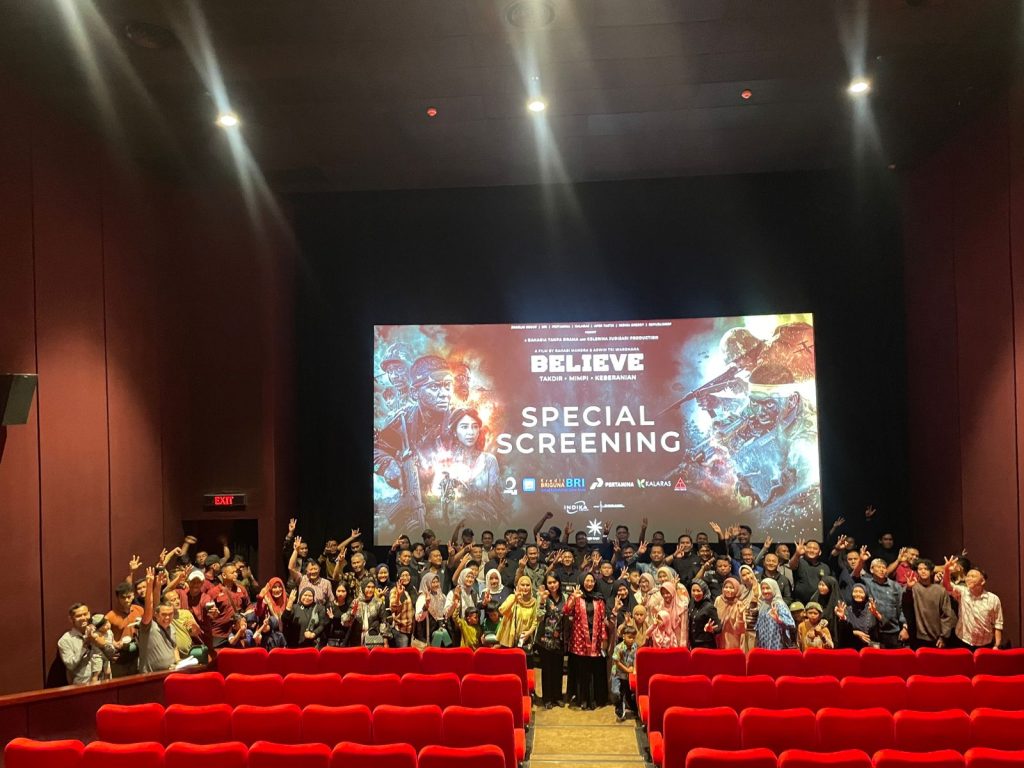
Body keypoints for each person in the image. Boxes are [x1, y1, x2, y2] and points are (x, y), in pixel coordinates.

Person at [563, 573, 609, 710]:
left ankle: (593, 699)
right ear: (582, 582)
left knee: (594, 670)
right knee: (582, 670)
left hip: (596, 640)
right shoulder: (576, 597)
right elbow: (566, 611)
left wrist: (604, 638)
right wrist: (573, 598)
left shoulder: (599, 599)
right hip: (580, 640)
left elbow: (602, 620)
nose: (589, 584)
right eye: (587, 581)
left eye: (592, 581)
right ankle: (582, 699)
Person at [942, 556, 1004, 650]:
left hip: (985, 643)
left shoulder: (993, 599)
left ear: (982, 581)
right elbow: (947, 586)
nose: (969, 578)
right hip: (962, 641)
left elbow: (998, 624)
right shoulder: (963, 592)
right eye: (968, 576)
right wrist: (946, 571)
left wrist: (997, 645)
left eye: (973, 576)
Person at [854, 554, 908, 648]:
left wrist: (905, 627)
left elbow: (902, 608)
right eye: (878, 567)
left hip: (893, 630)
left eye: (884, 567)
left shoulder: (895, 586)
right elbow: (855, 574)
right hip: (872, 630)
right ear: (871, 570)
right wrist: (861, 560)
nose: (882, 570)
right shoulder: (866, 582)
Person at [903, 558, 955, 648]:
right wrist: (909, 589)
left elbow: (947, 615)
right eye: (920, 569)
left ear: (931, 572)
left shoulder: (940, 590)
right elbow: (906, 606)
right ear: (916, 571)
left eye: (926, 569)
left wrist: (943, 636)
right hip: (917, 637)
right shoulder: (913, 587)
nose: (923, 571)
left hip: (936, 637)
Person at [535, 574, 567, 709]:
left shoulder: (565, 597)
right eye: (549, 583)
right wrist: (542, 601)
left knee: (558, 669)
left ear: (559, 583)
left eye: (554, 582)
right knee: (547, 670)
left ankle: (557, 697)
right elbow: (539, 616)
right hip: (545, 639)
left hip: (559, 638)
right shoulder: (542, 597)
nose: (552, 585)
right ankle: (547, 698)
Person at [138, 568, 179, 672]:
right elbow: (150, 606)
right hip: (150, 676)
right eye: (164, 615)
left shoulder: (172, 628)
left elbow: (174, 647)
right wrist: (149, 585)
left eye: (170, 614)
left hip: (170, 674)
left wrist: (178, 663)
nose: (167, 617)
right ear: (156, 615)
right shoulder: (149, 627)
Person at [59, 603, 108, 685]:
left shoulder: (100, 631)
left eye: (85, 614)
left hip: (105, 681)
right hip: (83, 685)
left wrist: (99, 642)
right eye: (78, 616)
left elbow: (112, 654)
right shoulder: (65, 640)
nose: (83, 618)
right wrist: (84, 646)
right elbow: (70, 665)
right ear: (71, 619)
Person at [105, 581, 142, 678]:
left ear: (133, 595)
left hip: (137, 655)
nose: (126, 600)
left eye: (129, 597)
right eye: (123, 597)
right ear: (118, 598)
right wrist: (113, 643)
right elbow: (102, 635)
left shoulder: (139, 610)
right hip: (119, 658)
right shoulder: (111, 616)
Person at [497, 575, 540, 649]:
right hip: (509, 638)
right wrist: (515, 598)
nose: (525, 587)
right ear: (518, 586)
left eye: (527, 585)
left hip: (524, 639)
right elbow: (502, 610)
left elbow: (535, 620)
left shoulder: (534, 602)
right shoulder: (512, 597)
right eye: (522, 585)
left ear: (531, 587)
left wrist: (529, 632)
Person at [753, 578, 795, 650]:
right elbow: (758, 627)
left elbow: (791, 624)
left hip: (777, 644)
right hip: (763, 644)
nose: (765, 591)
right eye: (763, 588)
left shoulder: (779, 604)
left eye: (768, 588)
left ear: (774, 588)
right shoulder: (763, 605)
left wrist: (778, 619)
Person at [788, 539, 832, 604]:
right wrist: (797, 554)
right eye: (809, 548)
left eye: (815, 549)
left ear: (820, 552)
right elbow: (791, 566)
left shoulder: (825, 567)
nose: (811, 550)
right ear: (805, 549)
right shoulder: (799, 561)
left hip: (818, 603)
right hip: (799, 603)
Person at [611, 625, 638, 722]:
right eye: (629, 637)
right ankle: (618, 705)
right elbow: (616, 662)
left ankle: (622, 711)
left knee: (626, 693)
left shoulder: (635, 646)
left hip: (628, 676)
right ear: (623, 636)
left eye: (633, 638)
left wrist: (634, 669)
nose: (631, 640)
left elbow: (636, 658)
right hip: (618, 674)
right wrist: (627, 669)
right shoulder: (619, 648)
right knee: (616, 692)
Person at [414, 571, 448, 648]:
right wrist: (426, 605)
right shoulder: (422, 598)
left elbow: (446, 613)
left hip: (441, 631)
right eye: (433, 582)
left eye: (437, 582)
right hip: (427, 634)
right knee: (432, 654)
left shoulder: (442, 596)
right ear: (427, 583)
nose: (436, 584)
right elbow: (418, 618)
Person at [711, 576, 746, 649]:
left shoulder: (739, 604)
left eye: (731, 588)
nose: (728, 590)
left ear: (737, 589)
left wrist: (740, 615)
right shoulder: (719, 600)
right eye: (726, 587)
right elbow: (714, 619)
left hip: (733, 641)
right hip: (718, 639)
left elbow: (740, 630)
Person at [388, 568, 415, 647]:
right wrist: (399, 596)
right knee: (403, 654)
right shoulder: (395, 590)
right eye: (402, 575)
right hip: (401, 630)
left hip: (412, 630)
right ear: (399, 577)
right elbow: (393, 608)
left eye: (407, 575)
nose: (405, 577)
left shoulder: (413, 589)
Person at [355, 581, 386, 648]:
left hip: (373, 636)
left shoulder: (379, 602)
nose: (370, 589)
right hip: (358, 637)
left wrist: (385, 640)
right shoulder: (356, 602)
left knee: (373, 654)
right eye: (368, 587)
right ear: (363, 587)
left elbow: (384, 621)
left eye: (372, 587)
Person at [688, 579, 718, 649]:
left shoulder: (709, 607)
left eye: (698, 591)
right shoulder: (692, 602)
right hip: (693, 643)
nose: (696, 593)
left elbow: (718, 627)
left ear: (704, 591)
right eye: (693, 590)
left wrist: (711, 629)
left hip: (706, 645)